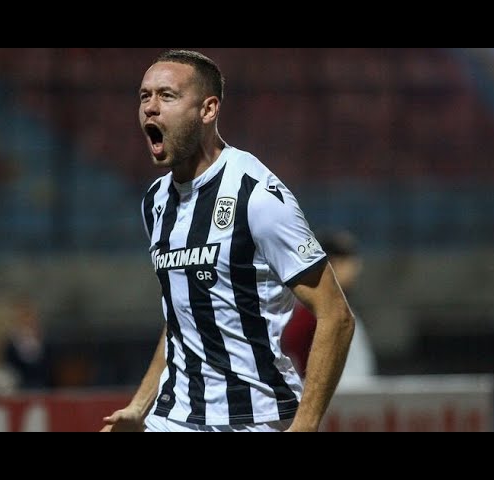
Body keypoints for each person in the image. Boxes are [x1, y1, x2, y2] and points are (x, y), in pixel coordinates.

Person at [102, 50, 355, 433]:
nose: (150, 108)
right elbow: (183, 318)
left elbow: (336, 316)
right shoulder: (156, 202)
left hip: (255, 418)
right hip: (175, 418)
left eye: (167, 96)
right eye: (144, 96)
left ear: (208, 109)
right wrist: (139, 406)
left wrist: (305, 426)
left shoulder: (256, 195)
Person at [282, 229, 376, 384]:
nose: (357, 269)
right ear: (333, 264)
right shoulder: (311, 313)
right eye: (350, 262)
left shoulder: (333, 307)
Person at [0, 296, 52, 392]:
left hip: (43, 386)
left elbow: (48, 366)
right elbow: (8, 368)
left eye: (28, 315)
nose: (26, 320)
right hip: (19, 387)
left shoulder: (44, 340)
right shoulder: (10, 343)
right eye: (22, 316)